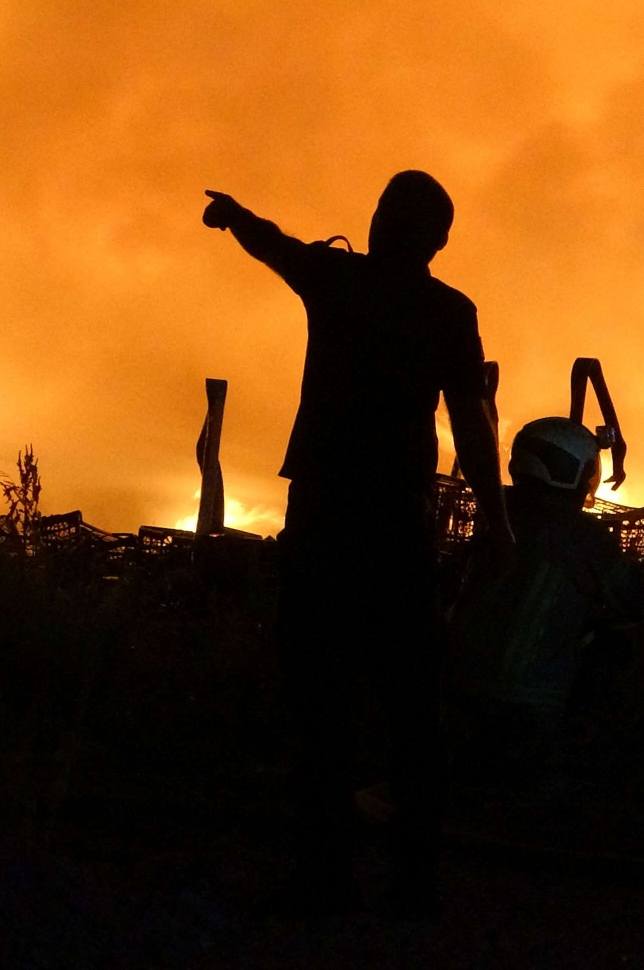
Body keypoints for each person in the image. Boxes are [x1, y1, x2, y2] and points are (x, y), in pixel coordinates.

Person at [202, 171, 512, 919]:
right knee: (411, 702)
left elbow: (273, 245)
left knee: (322, 697)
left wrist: (234, 214)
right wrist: (496, 516)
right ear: (437, 242)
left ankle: (326, 877)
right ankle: (413, 884)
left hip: (327, 515)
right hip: (396, 522)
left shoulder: (338, 279)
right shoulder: (447, 311)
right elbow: (472, 423)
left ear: (386, 224)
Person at [447, 417, 639, 778]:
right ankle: (582, 745)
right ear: (572, 472)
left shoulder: (494, 516)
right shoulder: (583, 536)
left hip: (455, 686)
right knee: (617, 641)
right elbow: (636, 596)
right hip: (528, 702)